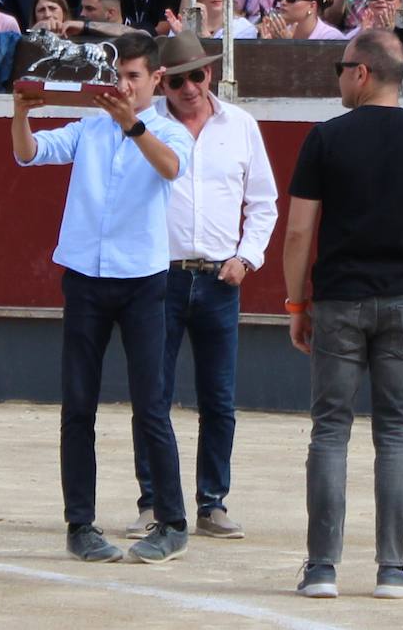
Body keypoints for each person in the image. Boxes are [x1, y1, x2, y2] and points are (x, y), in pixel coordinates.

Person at [283, 27, 403, 601]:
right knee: (395, 434)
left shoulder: (326, 139)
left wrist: (295, 301)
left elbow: (297, 232)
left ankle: (321, 568)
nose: (338, 76)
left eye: (341, 67)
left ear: (361, 72)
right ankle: (392, 568)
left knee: (331, 432)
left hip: (339, 298)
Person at [11, 32, 193, 566]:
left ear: (155, 80)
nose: (123, 86)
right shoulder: (90, 129)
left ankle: (173, 520)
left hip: (142, 282)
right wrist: (20, 113)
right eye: (117, 76)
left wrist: (130, 124)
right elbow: (30, 154)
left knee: (152, 406)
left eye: (134, 77)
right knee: (78, 406)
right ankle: (80, 524)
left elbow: (171, 169)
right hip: (86, 279)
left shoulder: (166, 131)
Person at [121, 30, 278, 541]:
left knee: (219, 398)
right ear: (163, 82)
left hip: (219, 277)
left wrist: (247, 258)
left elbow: (263, 202)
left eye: (199, 75)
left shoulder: (241, 125)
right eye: (180, 79)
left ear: (210, 73)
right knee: (152, 395)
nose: (191, 87)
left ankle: (212, 501)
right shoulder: (148, 126)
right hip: (157, 275)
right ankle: (153, 501)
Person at [258, 0, 346, 39]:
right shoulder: (279, 32)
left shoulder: (331, 37)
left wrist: (287, 46)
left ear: (312, 6)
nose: (283, 2)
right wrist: (267, 45)